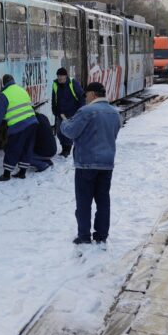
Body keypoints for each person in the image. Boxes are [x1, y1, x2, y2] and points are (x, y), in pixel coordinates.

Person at [60, 81, 122, 245]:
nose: (85, 98)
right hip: (107, 164)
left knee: (84, 202)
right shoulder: (114, 113)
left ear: (93, 94)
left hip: (86, 163)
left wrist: (64, 122)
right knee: (103, 201)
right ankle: (101, 235)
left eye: (86, 95)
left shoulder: (86, 111)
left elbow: (70, 132)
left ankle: (84, 236)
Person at [0, 74, 38, 181]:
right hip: (33, 122)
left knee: (13, 148)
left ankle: (6, 175)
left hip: (19, 125)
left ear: (4, 83)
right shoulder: (22, 90)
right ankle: (22, 172)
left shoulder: (4, 94)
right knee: (27, 148)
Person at [51, 67, 85, 157]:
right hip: (60, 113)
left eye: (61, 76)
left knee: (67, 132)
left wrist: (80, 111)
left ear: (65, 76)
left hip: (72, 113)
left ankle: (67, 150)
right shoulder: (55, 84)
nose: (59, 78)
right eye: (58, 76)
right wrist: (55, 111)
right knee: (59, 132)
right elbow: (54, 99)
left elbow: (82, 97)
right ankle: (64, 148)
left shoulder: (72, 83)